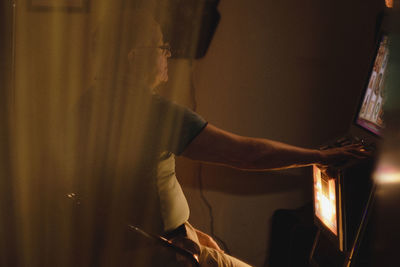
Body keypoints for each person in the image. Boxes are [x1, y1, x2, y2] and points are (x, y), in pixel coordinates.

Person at [76, 9, 369, 267]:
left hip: (136, 244)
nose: (168, 53)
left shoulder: (87, 103)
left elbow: (133, 195)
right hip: (159, 252)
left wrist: (189, 231)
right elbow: (247, 154)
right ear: (134, 56)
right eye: (161, 46)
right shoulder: (152, 112)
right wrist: (320, 156)